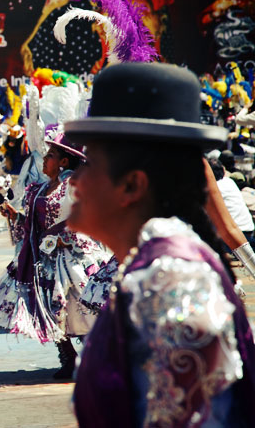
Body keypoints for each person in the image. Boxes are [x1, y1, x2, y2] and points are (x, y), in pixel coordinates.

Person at [66, 62, 255, 426]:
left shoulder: (171, 279)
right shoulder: (153, 265)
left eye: (88, 163)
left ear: (132, 186)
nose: (75, 180)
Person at [0, 130, 106, 379]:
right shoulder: (38, 189)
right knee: (49, 309)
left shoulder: (75, 187)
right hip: (43, 260)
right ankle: (68, 357)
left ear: (64, 162)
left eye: (51, 155)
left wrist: (63, 237)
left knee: (84, 308)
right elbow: (33, 225)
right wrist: (15, 216)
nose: (45, 160)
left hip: (73, 258)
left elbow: (91, 218)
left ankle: (96, 355)